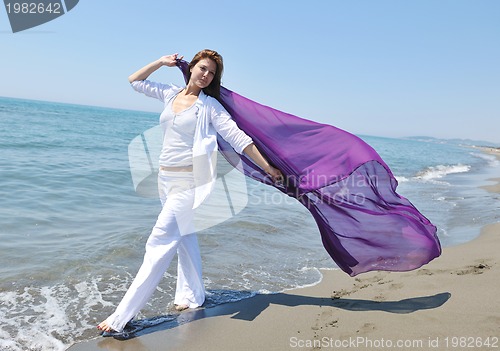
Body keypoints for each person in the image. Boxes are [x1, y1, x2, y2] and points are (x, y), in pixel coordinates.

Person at [97, 49, 282, 334]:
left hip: (188, 185)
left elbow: (239, 139)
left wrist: (268, 167)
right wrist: (161, 62)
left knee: (158, 242)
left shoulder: (209, 107)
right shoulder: (170, 94)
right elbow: (134, 80)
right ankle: (193, 295)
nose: (206, 75)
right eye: (203, 69)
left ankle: (121, 317)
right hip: (165, 181)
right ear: (192, 67)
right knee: (184, 237)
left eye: (212, 73)